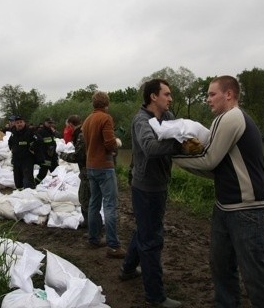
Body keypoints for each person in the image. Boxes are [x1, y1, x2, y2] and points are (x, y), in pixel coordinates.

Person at [173, 76, 264, 307]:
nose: (207, 100)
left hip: (247, 210)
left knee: (256, 275)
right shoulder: (221, 120)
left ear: (229, 95)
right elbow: (218, 170)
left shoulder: (233, 117)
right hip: (224, 206)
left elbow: (209, 160)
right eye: (207, 95)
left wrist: (173, 157)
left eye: (212, 94)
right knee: (221, 265)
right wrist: (184, 160)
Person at [121, 79, 184, 308]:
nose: (170, 98)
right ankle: (155, 296)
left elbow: (177, 132)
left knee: (146, 230)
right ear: (153, 97)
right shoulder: (141, 121)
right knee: (152, 239)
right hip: (145, 187)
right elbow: (149, 147)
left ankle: (127, 268)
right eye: (166, 94)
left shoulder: (166, 118)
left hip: (159, 184)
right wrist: (179, 146)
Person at [81, 91, 124, 258]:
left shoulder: (87, 120)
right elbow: (109, 142)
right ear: (107, 103)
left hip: (90, 166)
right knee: (110, 205)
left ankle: (94, 238)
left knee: (94, 203)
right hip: (104, 167)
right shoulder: (105, 118)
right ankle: (113, 246)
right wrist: (116, 145)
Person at [59, 115, 90, 227]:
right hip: (90, 170)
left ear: (71, 125)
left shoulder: (81, 136)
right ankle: (91, 223)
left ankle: (90, 224)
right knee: (88, 198)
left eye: (68, 126)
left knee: (84, 198)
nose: (68, 129)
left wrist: (62, 155)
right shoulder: (84, 132)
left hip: (88, 172)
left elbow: (78, 156)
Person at [8, 116, 43, 190]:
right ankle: (21, 194)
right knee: (17, 181)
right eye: (17, 123)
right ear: (15, 124)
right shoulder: (14, 132)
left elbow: (39, 140)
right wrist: (12, 148)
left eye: (21, 122)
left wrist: (32, 147)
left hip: (27, 159)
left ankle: (30, 194)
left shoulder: (30, 132)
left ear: (24, 122)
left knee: (27, 180)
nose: (19, 124)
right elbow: (10, 141)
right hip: (16, 159)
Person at [35, 118, 59, 185]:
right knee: (42, 173)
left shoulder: (51, 131)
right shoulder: (41, 132)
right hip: (45, 156)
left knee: (56, 171)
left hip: (53, 156)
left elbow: (58, 136)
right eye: (49, 123)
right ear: (45, 123)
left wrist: (54, 131)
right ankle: (34, 184)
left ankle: (56, 184)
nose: (50, 124)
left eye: (51, 123)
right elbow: (38, 144)